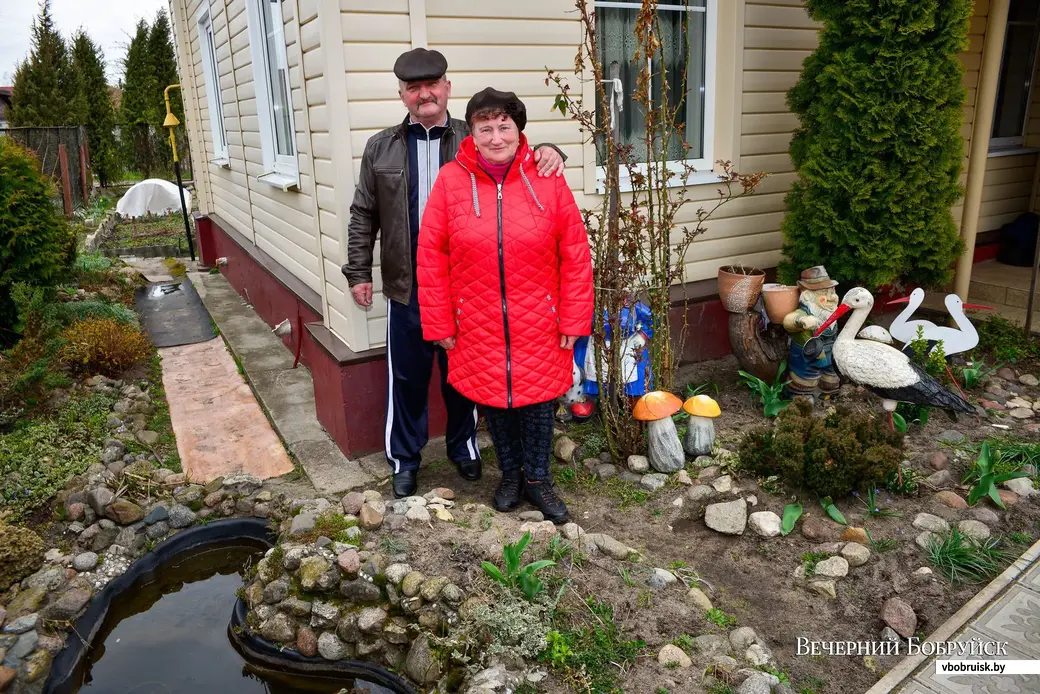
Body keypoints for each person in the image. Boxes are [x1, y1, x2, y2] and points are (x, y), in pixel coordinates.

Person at [342, 49, 566, 499]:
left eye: (432, 84)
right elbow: (363, 213)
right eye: (413, 87)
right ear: (403, 95)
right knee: (406, 379)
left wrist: (551, 151)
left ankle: (464, 448)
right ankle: (405, 460)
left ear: (447, 87)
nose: (424, 94)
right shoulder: (380, 147)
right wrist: (358, 270)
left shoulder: (476, 136)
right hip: (408, 287)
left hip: (470, 287)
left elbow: (519, 159)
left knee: (463, 376)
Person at [417, 88, 594, 524]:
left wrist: (574, 317)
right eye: (485, 128)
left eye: (504, 127)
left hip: (540, 319)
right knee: (494, 401)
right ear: (471, 133)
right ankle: (510, 475)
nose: (496, 137)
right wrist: (439, 321)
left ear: (519, 131)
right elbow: (431, 255)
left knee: (536, 402)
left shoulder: (547, 178)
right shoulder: (450, 181)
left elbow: (575, 253)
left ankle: (538, 479)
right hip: (477, 320)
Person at [782, 265, 842, 401]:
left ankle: (826, 394)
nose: (832, 298)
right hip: (807, 359)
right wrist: (802, 320)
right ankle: (801, 397)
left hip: (828, 357)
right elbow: (788, 321)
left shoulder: (830, 312)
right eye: (824, 294)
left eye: (832, 292)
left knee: (831, 380)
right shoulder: (805, 312)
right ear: (808, 295)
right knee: (805, 382)